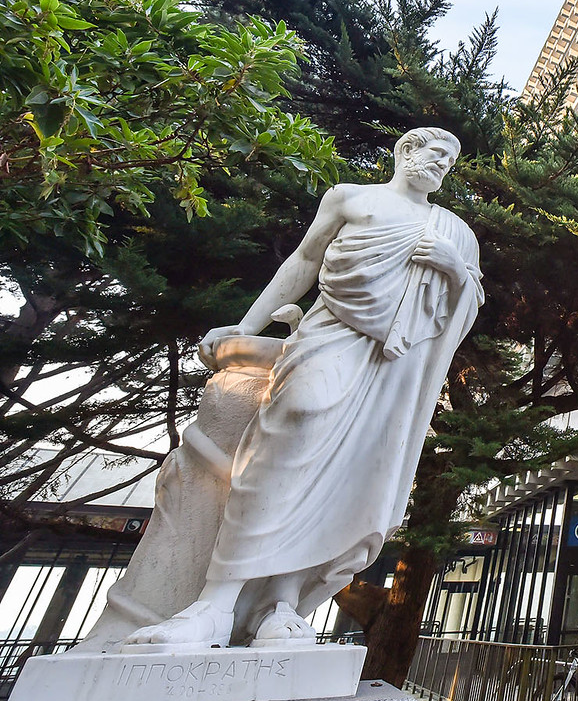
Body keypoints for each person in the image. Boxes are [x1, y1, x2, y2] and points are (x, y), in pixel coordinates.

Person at [123, 127, 482, 649]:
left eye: (449, 162)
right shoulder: (350, 198)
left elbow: (466, 303)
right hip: (330, 335)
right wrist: (247, 326)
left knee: (348, 472)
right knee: (292, 426)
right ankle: (215, 602)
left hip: (396, 362)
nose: (441, 166)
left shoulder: (454, 231)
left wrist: (454, 269)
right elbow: (304, 262)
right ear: (407, 150)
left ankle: (282, 606)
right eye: (436, 154)